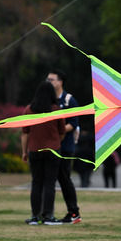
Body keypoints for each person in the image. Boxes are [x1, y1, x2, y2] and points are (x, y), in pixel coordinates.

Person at [21, 81, 66, 225]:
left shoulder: (29, 110)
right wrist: (55, 142)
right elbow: (62, 132)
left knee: (36, 183)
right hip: (52, 150)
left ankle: (35, 216)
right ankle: (48, 216)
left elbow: (25, 133)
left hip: (34, 150)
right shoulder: (56, 110)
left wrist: (24, 152)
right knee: (49, 184)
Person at [47, 69, 83, 224]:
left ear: (60, 82)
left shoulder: (69, 100)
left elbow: (73, 124)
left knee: (64, 179)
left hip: (65, 147)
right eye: (48, 79)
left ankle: (74, 212)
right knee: (51, 180)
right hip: (51, 146)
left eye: (52, 79)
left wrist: (56, 131)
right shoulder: (47, 99)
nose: (49, 82)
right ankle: (47, 214)